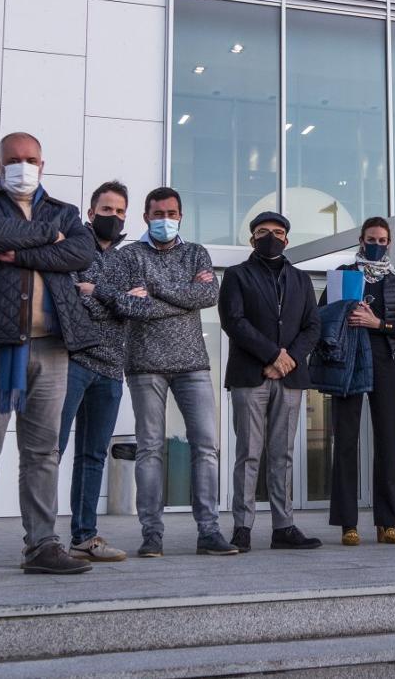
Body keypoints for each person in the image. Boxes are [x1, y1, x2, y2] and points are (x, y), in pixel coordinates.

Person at [0, 133, 97, 579]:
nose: (22, 166)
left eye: (30, 159)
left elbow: (82, 250)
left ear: (43, 163)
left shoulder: (66, 212)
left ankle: (42, 545)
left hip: (51, 345)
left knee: (42, 452)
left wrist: (19, 251)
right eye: (13, 160)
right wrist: (47, 241)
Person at [104, 187, 234, 558]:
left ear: (181, 216)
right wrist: (181, 298)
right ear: (145, 217)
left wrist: (156, 290)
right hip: (144, 365)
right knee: (149, 450)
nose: (165, 220)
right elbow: (125, 304)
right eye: (158, 213)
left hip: (192, 364)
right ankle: (152, 535)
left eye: (172, 213)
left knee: (206, 448)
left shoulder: (196, 253)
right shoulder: (128, 256)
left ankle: (209, 532)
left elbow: (207, 297)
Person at [219, 211, 323, 551]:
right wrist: (271, 356)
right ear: (252, 239)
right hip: (250, 376)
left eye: (277, 232)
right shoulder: (236, 275)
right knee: (248, 453)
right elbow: (233, 321)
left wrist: (287, 360)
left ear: (287, 240)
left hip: (290, 378)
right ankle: (242, 527)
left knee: (283, 455)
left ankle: (284, 527)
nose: (271, 237)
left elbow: (312, 327)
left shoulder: (301, 279)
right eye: (263, 232)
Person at [320, 218, 395, 547]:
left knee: (387, 441)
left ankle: (388, 523)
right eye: (371, 238)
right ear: (361, 240)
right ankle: (348, 524)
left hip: (385, 363)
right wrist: (344, 312)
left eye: (383, 239)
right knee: (345, 441)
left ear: (389, 243)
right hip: (349, 363)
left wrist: (377, 322)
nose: (377, 243)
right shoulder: (344, 274)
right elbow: (322, 316)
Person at [56, 181, 131, 563]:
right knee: (50, 450)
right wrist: (116, 302)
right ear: (90, 212)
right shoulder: (73, 247)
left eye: (120, 212)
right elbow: (69, 300)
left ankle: (83, 537)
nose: (113, 217)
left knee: (93, 455)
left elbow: (137, 309)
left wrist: (96, 294)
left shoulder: (127, 260)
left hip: (111, 369)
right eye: (107, 210)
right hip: (72, 362)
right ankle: (38, 538)